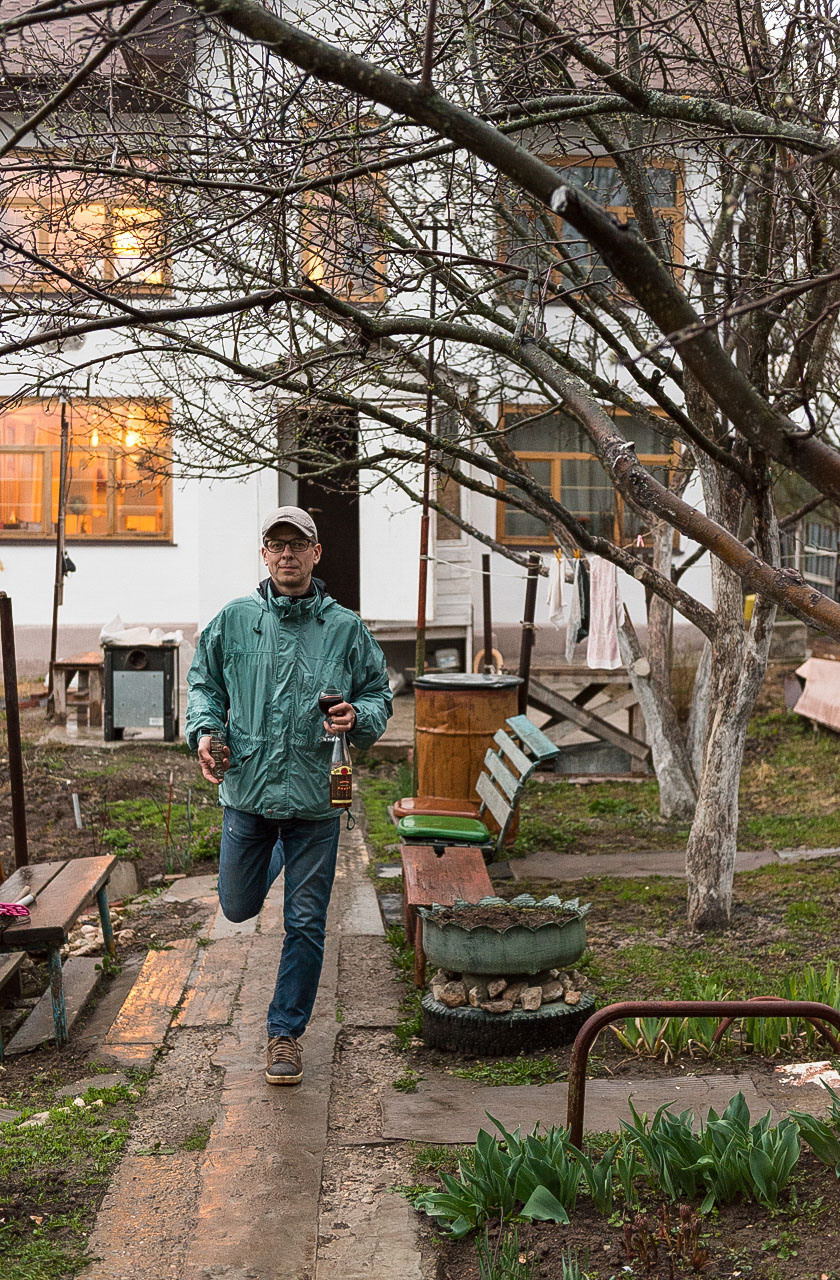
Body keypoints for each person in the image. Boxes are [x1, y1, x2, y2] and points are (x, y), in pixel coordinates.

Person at [186, 506, 392, 1086]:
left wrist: (361, 716)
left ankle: (284, 1034)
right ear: (264, 553)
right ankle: (271, 859)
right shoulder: (234, 620)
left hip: (315, 798)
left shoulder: (345, 628)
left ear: (316, 553)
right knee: (237, 906)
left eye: (297, 545)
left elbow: (379, 692)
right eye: (276, 545)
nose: (287, 555)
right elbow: (204, 684)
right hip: (248, 791)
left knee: (305, 919)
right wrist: (205, 733)